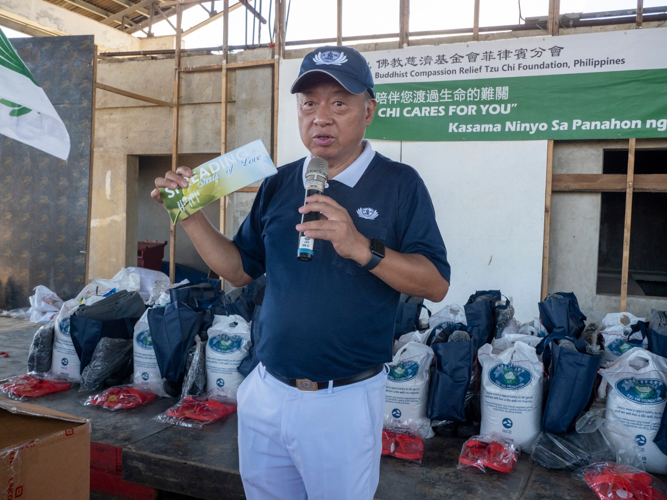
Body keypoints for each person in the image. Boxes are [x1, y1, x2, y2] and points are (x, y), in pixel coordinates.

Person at [151, 45, 451, 500]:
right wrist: (189, 214)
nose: (321, 118)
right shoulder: (279, 182)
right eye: (309, 103)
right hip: (266, 390)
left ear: (368, 110)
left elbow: (435, 283)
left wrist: (360, 246)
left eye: (339, 103)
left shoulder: (400, 184)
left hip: (343, 402)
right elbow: (238, 270)